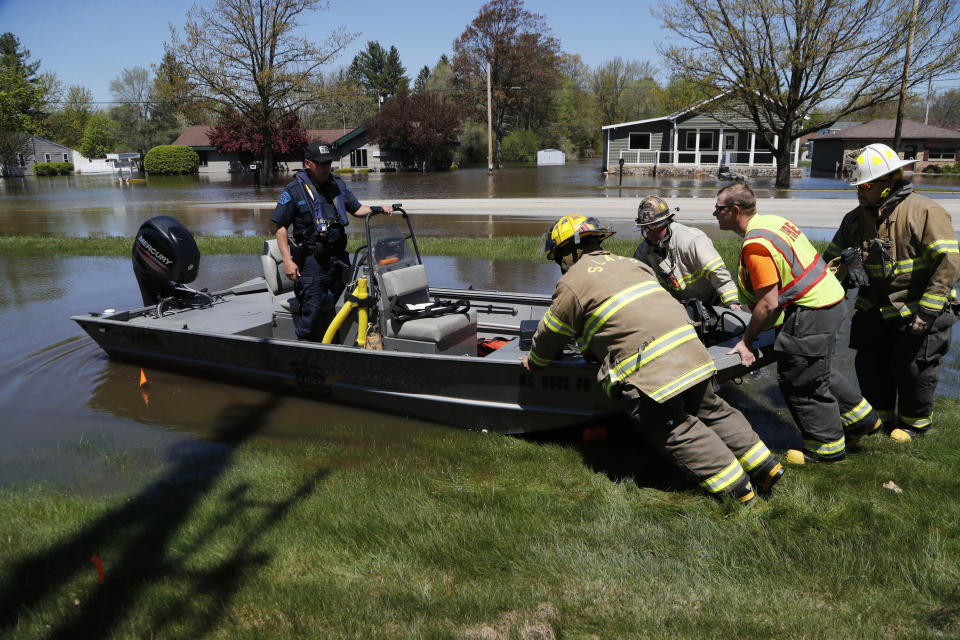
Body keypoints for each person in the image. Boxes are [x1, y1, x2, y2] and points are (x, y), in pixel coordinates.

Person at [521, 214, 783, 503]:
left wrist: (534, 361)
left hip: (651, 369)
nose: (560, 265)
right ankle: (767, 467)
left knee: (675, 428)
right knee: (712, 409)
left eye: (559, 257)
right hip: (692, 350)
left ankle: (738, 492)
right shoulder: (632, 263)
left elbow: (551, 333)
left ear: (571, 252)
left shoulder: (572, 283)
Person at [716, 183, 885, 464]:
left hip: (812, 311)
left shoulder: (756, 245)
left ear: (734, 211)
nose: (715, 213)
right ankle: (863, 422)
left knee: (800, 379)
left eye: (719, 209)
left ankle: (825, 450)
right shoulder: (774, 222)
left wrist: (746, 342)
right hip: (830, 300)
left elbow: (768, 304)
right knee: (820, 367)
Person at [823, 143, 960, 439]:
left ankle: (914, 426)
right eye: (858, 185)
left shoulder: (924, 212)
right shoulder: (856, 219)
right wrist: (848, 266)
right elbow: (828, 266)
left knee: (915, 371)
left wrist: (928, 311)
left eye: (867, 184)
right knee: (870, 366)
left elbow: (949, 262)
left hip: (918, 310)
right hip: (875, 309)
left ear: (890, 182)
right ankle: (881, 421)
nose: (860, 191)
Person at [271, 142, 393, 341]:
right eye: (322, 164)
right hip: (312, 263)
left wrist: (379, 208)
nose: (327, 167)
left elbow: (357, 209)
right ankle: (303, 352)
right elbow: (281, 228)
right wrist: (287, 260)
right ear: (308, 164)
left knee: (348, 302)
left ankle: (341, 345)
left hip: (339, 258)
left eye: (328, 162)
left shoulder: (337, 184)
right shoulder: (294, 190)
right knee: (312, 307)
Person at [633, 195, 741, 310]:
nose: (650, 233)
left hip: (712, 302)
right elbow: (636, 281)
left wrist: (732, 302)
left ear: (666, 222)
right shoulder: (644, 251)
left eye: (655, 227)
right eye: (646, 228)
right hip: (679, 306)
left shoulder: (692, 240)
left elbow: (718, 274)